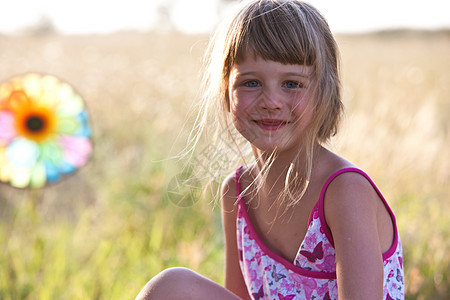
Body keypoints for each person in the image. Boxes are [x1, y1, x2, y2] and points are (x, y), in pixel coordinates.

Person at [136, 0, 405, 299]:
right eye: (251, 83)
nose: (271, 101)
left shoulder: (345, 191)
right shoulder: (237, 192)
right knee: (171, 287)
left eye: (291, 84)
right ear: (226, 90)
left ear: (324, 91)